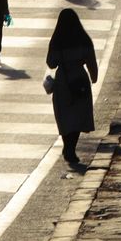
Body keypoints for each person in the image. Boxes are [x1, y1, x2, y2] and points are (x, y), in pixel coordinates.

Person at [46, 9, 100, 166]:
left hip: (63, 81)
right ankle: (71, 147)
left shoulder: (57, 40)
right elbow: (91, 60)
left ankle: (67, 146)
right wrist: (94, 76)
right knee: (78, 115)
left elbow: (51, 62)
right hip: (80, 80)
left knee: (64, 116)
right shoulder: (83, 38)